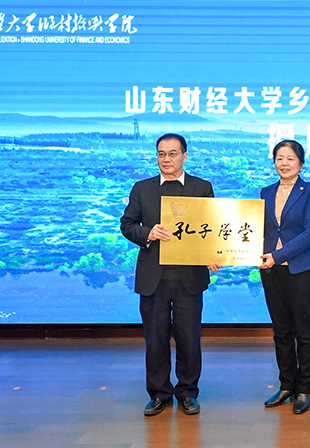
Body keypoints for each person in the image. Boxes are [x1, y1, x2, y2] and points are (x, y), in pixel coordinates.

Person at [120, 133, 220, 416]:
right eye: (161, 154)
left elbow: (213, 227)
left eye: (173, 153)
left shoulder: (202, 187)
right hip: (154, 277)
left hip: (190, 276)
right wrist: (147, 233)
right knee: (155, 340)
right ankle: (159, 394)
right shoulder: (142, 188)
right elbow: (127, 224)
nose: (166, 159)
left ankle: (188, 392)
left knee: (189, 339)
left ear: (184, 156)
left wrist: (215, 254)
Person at [258, 140, 310, 415]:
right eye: (279, 158)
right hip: (271, 271)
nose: (284, 163)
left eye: (290, 158)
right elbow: (255, 229)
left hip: (301, 270)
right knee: (281, 331)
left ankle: (304, 389)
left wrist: (278, 255)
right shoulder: (266, 192)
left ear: (301, 163)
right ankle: (286, 385)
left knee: (303, 331)